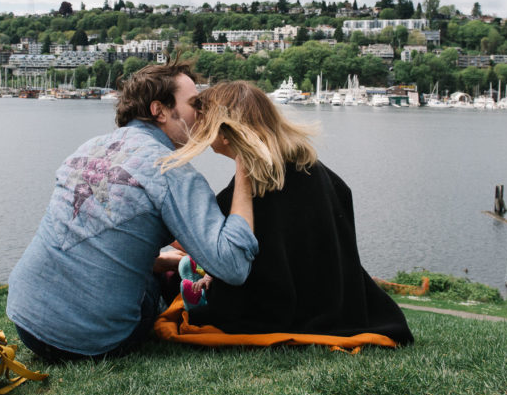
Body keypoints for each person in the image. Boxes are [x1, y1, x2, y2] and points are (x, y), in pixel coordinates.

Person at [7, 61, 258, 361]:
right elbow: (232, 266)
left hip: (26, 321)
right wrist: (245, 164)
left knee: (149, 268)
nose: (202, 113)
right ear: (160, 110)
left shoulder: (88, 148)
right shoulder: (171, 170)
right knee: (160, 287)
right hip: (94, 340)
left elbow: (101, 237)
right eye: (194, 104)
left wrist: (160, 260)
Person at [161, 80, 414, 345]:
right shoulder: (318, 172)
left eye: (203, 123)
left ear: (225, 134)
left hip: (274, 312)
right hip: (333, 302)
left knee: (171, 284)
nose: (197, 130)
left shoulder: (247, 194)